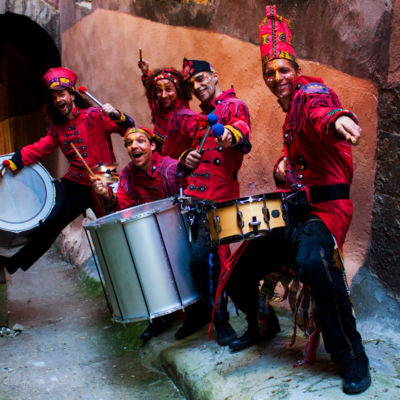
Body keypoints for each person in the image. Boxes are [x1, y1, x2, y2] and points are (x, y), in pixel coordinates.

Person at [223, 5, 371, 395]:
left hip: (328, 211)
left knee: (315, 264)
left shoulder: (309, 93)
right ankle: (262, 325)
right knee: (242, 262)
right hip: (298, 209)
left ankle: (351, 356)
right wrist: (281, 166)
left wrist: (338, 121)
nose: (276, 78)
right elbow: (302, 155)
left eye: (283, 70)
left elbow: (322, 112)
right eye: (270, 73)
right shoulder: (289, 113)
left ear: (296, 69)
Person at [0, 67, 135, 275]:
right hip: (76, 182)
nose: (58, 100)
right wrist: (11, 163)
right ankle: (14, 263)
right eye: (54, 97)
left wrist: (117, 114)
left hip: (104, 176)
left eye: (61, 94)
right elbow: (38, 148)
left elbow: (127, 128)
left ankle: (125, 272)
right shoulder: (58, 130)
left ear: (72, 95)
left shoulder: (96, 115)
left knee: (111, 226)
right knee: (51, 223)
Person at [175, 58, 252, 346]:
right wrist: (186, 159)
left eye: (202, 79)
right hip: (195, 200)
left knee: (209, 263)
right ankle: (203, 315)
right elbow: (190, 159)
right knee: (197, 263)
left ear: (215, 76)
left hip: (220, 198)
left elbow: (243, 138)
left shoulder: (234, 106)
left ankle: (220, 321)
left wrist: (225, 134)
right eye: (193, 83)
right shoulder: (198, 120)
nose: (197, 87)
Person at [92, 126, 187, 340]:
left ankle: (193, 313)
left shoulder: (170, 168)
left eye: (141, 141)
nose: (134, 146)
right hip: (150, 233)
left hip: (177, 230)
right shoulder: (127, 172)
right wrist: (106, 193)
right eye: (129, 143)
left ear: (152, 145)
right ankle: (158, 316)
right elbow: (124, 204)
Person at [138, 59, 200, 159]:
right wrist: (146, 73)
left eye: (168, 89)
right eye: (159, 91)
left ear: (178, 89)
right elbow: (151, 95)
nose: (163, 95)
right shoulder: (158, 109)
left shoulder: (187, 117)